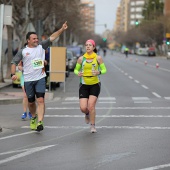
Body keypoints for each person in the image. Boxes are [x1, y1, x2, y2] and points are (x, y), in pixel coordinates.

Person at [11, 21, 68, 132]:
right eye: (34, 39)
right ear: (28, 40)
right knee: (31, 102)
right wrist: (13, 74)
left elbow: (52, 37)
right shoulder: (23, 51)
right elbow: (13, 62)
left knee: (41, 100)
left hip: (40, 78)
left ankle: (40, 122)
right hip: (28, 80)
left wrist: (62, 29)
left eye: (37, 38)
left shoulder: (41, 46)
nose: (36, 40)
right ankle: (33, 117)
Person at [74, 39, 107, 133]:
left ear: (93, 47)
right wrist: (78, 73)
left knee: (91, 105)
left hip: (95, 84)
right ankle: (87, 113)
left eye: (90, 45)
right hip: (84, 84)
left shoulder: (98, 58)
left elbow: (104, 70)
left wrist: (98, 72)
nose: (88, 46)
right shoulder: (81, 59)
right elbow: (76, 70)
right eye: (86, 45)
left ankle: (93, 125)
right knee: (83, 108)